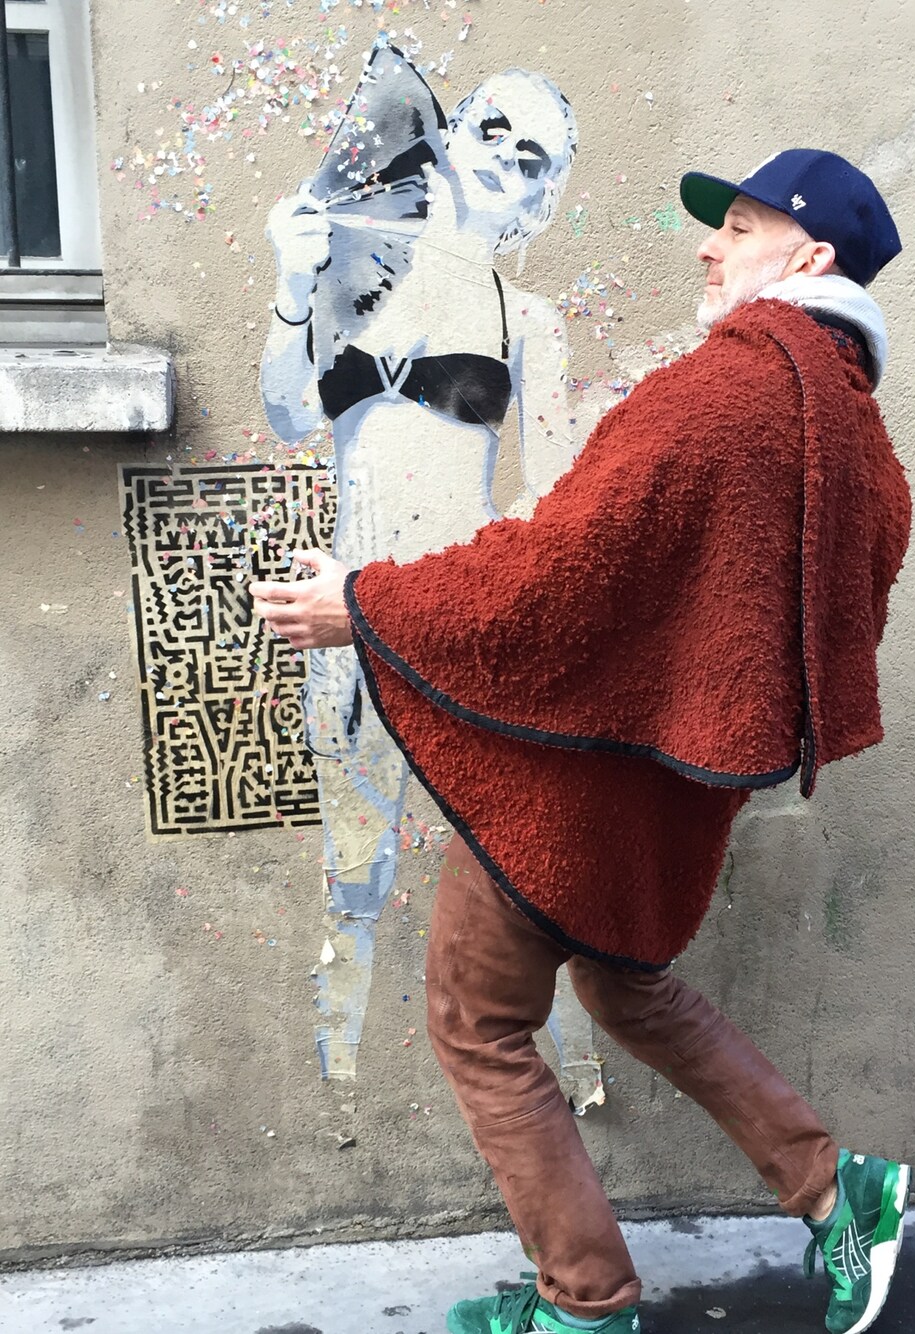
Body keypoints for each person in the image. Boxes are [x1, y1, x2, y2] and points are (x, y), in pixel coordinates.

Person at [250, 148, 913, 1334]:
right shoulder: (850, 425)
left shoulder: (724, 389)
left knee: (476, 1018)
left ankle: (584, 1299)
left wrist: (365, 603)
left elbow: (560, 567)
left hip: (580, 774)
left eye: (740, 228)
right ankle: (834, 1187)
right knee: (621, 981)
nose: (708, 245)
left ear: (808, 257)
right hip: (676, 779)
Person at [260, 48, 602, 1094]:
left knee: (522, 871)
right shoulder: (355, 279)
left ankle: (583, 1072)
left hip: (466, 625)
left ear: (544, 199)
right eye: (492, 130)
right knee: (353, 871)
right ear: (450, 141)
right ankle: (341, 1093)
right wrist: (291, 280)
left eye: (532, 156)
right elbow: (289, 413)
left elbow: (554, 502)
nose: (505, 158)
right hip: (348, 618)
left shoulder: (526, 322)